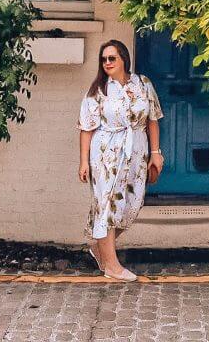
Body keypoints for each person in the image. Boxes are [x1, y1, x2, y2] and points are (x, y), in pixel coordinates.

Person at [78, 39, 164, 282]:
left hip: (136, 150)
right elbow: (86, 127)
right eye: (103, 59)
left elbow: (153, 120)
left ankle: (100, 248)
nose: (107, 63)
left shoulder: (143, 84)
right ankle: (112, 267)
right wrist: (84, 162)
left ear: (124, 59)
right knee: (106, 205)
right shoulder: (98, 90)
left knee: (130, 204)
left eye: (111, 58)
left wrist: (156, 153)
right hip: (105, 152)